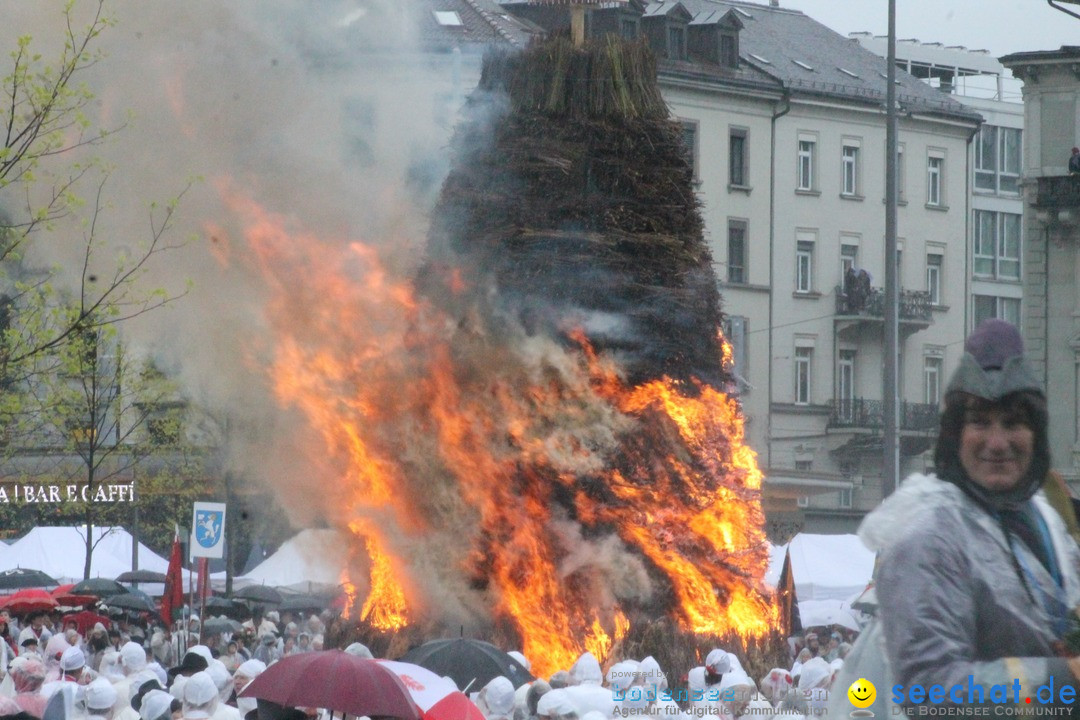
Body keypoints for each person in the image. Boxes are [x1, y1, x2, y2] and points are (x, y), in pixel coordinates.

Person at [845, 319, 1080, 711]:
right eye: (980, 422)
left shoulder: (1046, 518)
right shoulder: (926, 536)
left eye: (1013, 422)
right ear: (955, 434)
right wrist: (1059, 681)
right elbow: (925, 689)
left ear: (1035, 432)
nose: (997, 442)